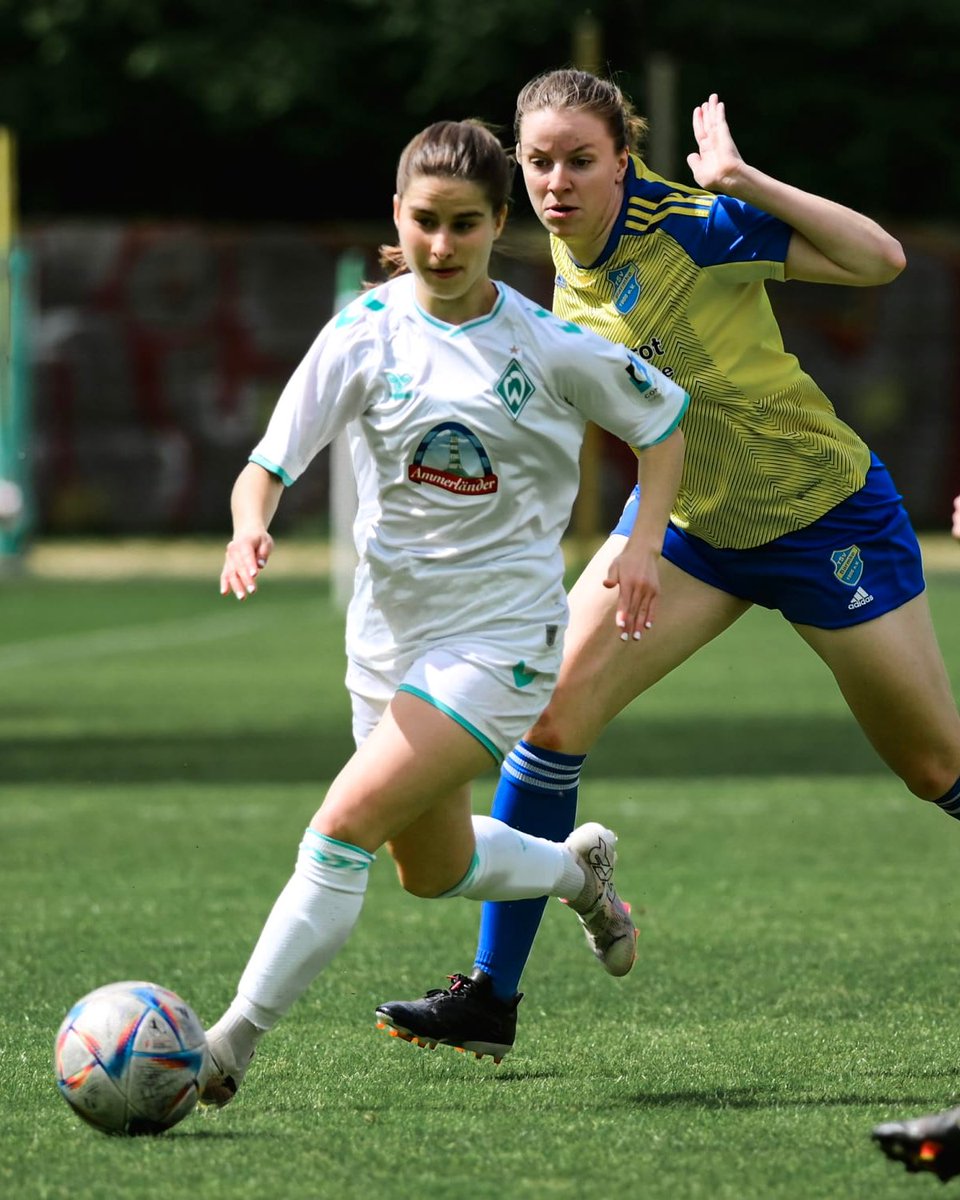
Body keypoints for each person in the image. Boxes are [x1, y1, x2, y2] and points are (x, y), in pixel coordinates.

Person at [374, 69, 960, 1063]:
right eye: (540, 161)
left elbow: (882, 261)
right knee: (549, 720)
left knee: (936, 769)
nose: (558, 180)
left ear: (623, 158)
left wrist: (745, 179)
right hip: (689, 525)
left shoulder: (691, 223)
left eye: (581, 160)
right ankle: (491, 997)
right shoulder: (556, 259)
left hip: (822, 518)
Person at [199, 117, 687, 1103]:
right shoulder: (361, 330)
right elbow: (268, 463)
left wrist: (642, 545)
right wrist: (250, 524)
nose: (443, 244)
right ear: (396, 214)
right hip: (388, 642)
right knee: (434, 868)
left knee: (339, 832)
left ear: (498, 223)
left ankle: (223, 1047)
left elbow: (665, 414)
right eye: (426, 221)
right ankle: (575, 876)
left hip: (502, 637)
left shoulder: (547, 342)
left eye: (466, 224)